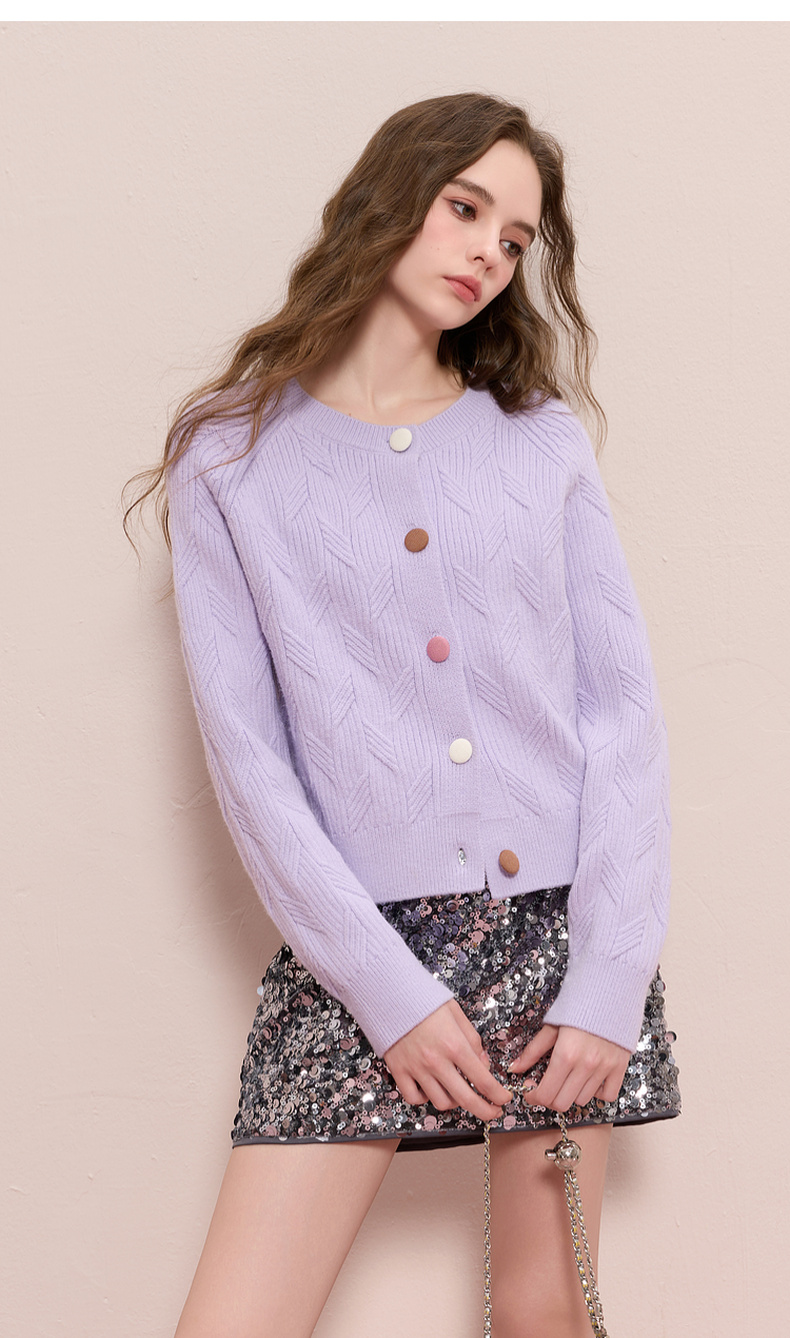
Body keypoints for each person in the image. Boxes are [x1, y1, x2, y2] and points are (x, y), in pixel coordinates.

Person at [124, 91, 680, 1338]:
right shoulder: (229, 453)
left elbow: (622, 720)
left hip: (556, 932)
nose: (488, 252)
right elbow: (251, 764)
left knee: (542, 1314)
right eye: (464, 208)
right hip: (355, 946)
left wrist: (607, 981)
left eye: (515, 238)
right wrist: (391, 996)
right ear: (390, 199)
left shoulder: (538, 442)